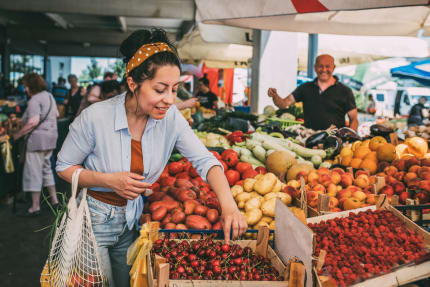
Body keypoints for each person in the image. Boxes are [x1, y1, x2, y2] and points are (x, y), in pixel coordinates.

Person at [56, 28, 246, 287]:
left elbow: (206, 160)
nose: (169, 99)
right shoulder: (95, 117)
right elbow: (64, 167)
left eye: (175, 89)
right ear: (133, 83)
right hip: (94, 221)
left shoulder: (171, 119)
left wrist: (229, 206)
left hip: (133, 221)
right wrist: (109, 180)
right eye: (160, 89)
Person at [268, 54, 358, 131]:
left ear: (333, 68)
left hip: (335, 140)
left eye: (328, 66)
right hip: (309, 139)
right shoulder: (305, 88)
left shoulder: (345, 91)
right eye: (320, 66)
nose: (324, 69)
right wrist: (275, 96)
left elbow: (353, 119)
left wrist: (349, 137)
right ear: (315, 67)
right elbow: (284, 104)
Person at [14, 73, 59, 216]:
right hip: (51, 138)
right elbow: (57, 114)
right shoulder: (49, 96)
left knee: (34, 172)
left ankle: (35, 207)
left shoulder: (34, 100)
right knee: (46, 169)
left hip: (37, 140)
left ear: (30, 86)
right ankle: (55, 201)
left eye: (26, 86)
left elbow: (33, 121)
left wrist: (18, 135)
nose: (25, 89)